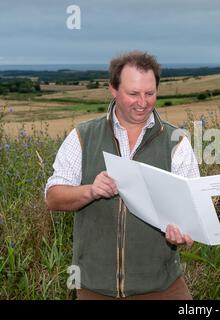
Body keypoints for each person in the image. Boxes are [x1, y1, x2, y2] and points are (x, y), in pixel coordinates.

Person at [45, 51, 199, 300]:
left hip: (162, 287)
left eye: (150, 93)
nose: (143, 102)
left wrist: (181, 234)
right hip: (95, 288)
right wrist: (91, 191)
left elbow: (192, 215)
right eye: (133, 93)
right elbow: (53, 198)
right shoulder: (83, 137)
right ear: (113, 90)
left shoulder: (177, 142)